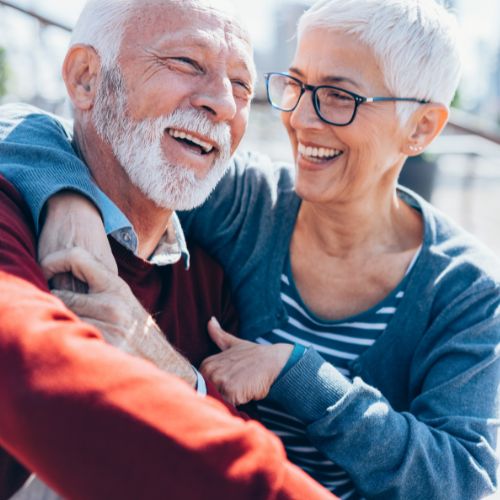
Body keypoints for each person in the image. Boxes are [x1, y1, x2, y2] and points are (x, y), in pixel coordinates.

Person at [1, 0, 499, 499]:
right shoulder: (245, 201)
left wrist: (300, 375)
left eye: (338, 96)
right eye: (297, 85)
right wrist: (69, 195)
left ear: (423, 128)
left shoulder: (466, 291)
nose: (303, 119)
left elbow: (464, 484)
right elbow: (53, 126)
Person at [0, 0, 336, 499]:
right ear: (86, 78)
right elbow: (26, 363)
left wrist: (173, 370)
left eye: (242, 86)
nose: (223, 103)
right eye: (186, 62)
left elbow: (213, 441)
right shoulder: (12, 216)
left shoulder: (210, 284)